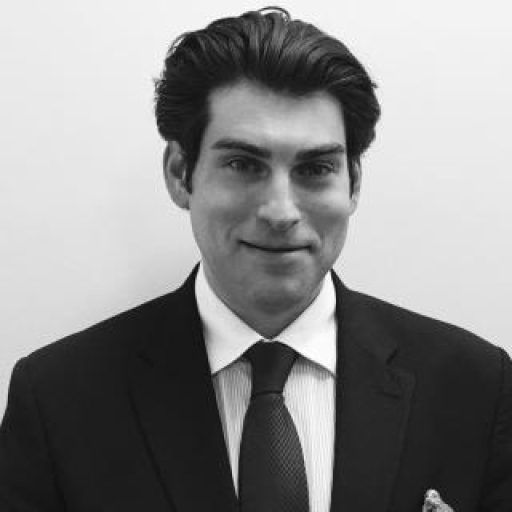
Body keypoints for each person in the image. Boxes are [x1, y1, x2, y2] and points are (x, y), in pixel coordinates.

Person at [0, 7, 511, 512]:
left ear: (354, 183)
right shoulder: (57, 400)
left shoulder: (476, 389)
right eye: (243, 164)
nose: (281, 212)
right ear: (180, 173)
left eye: (315, 169)